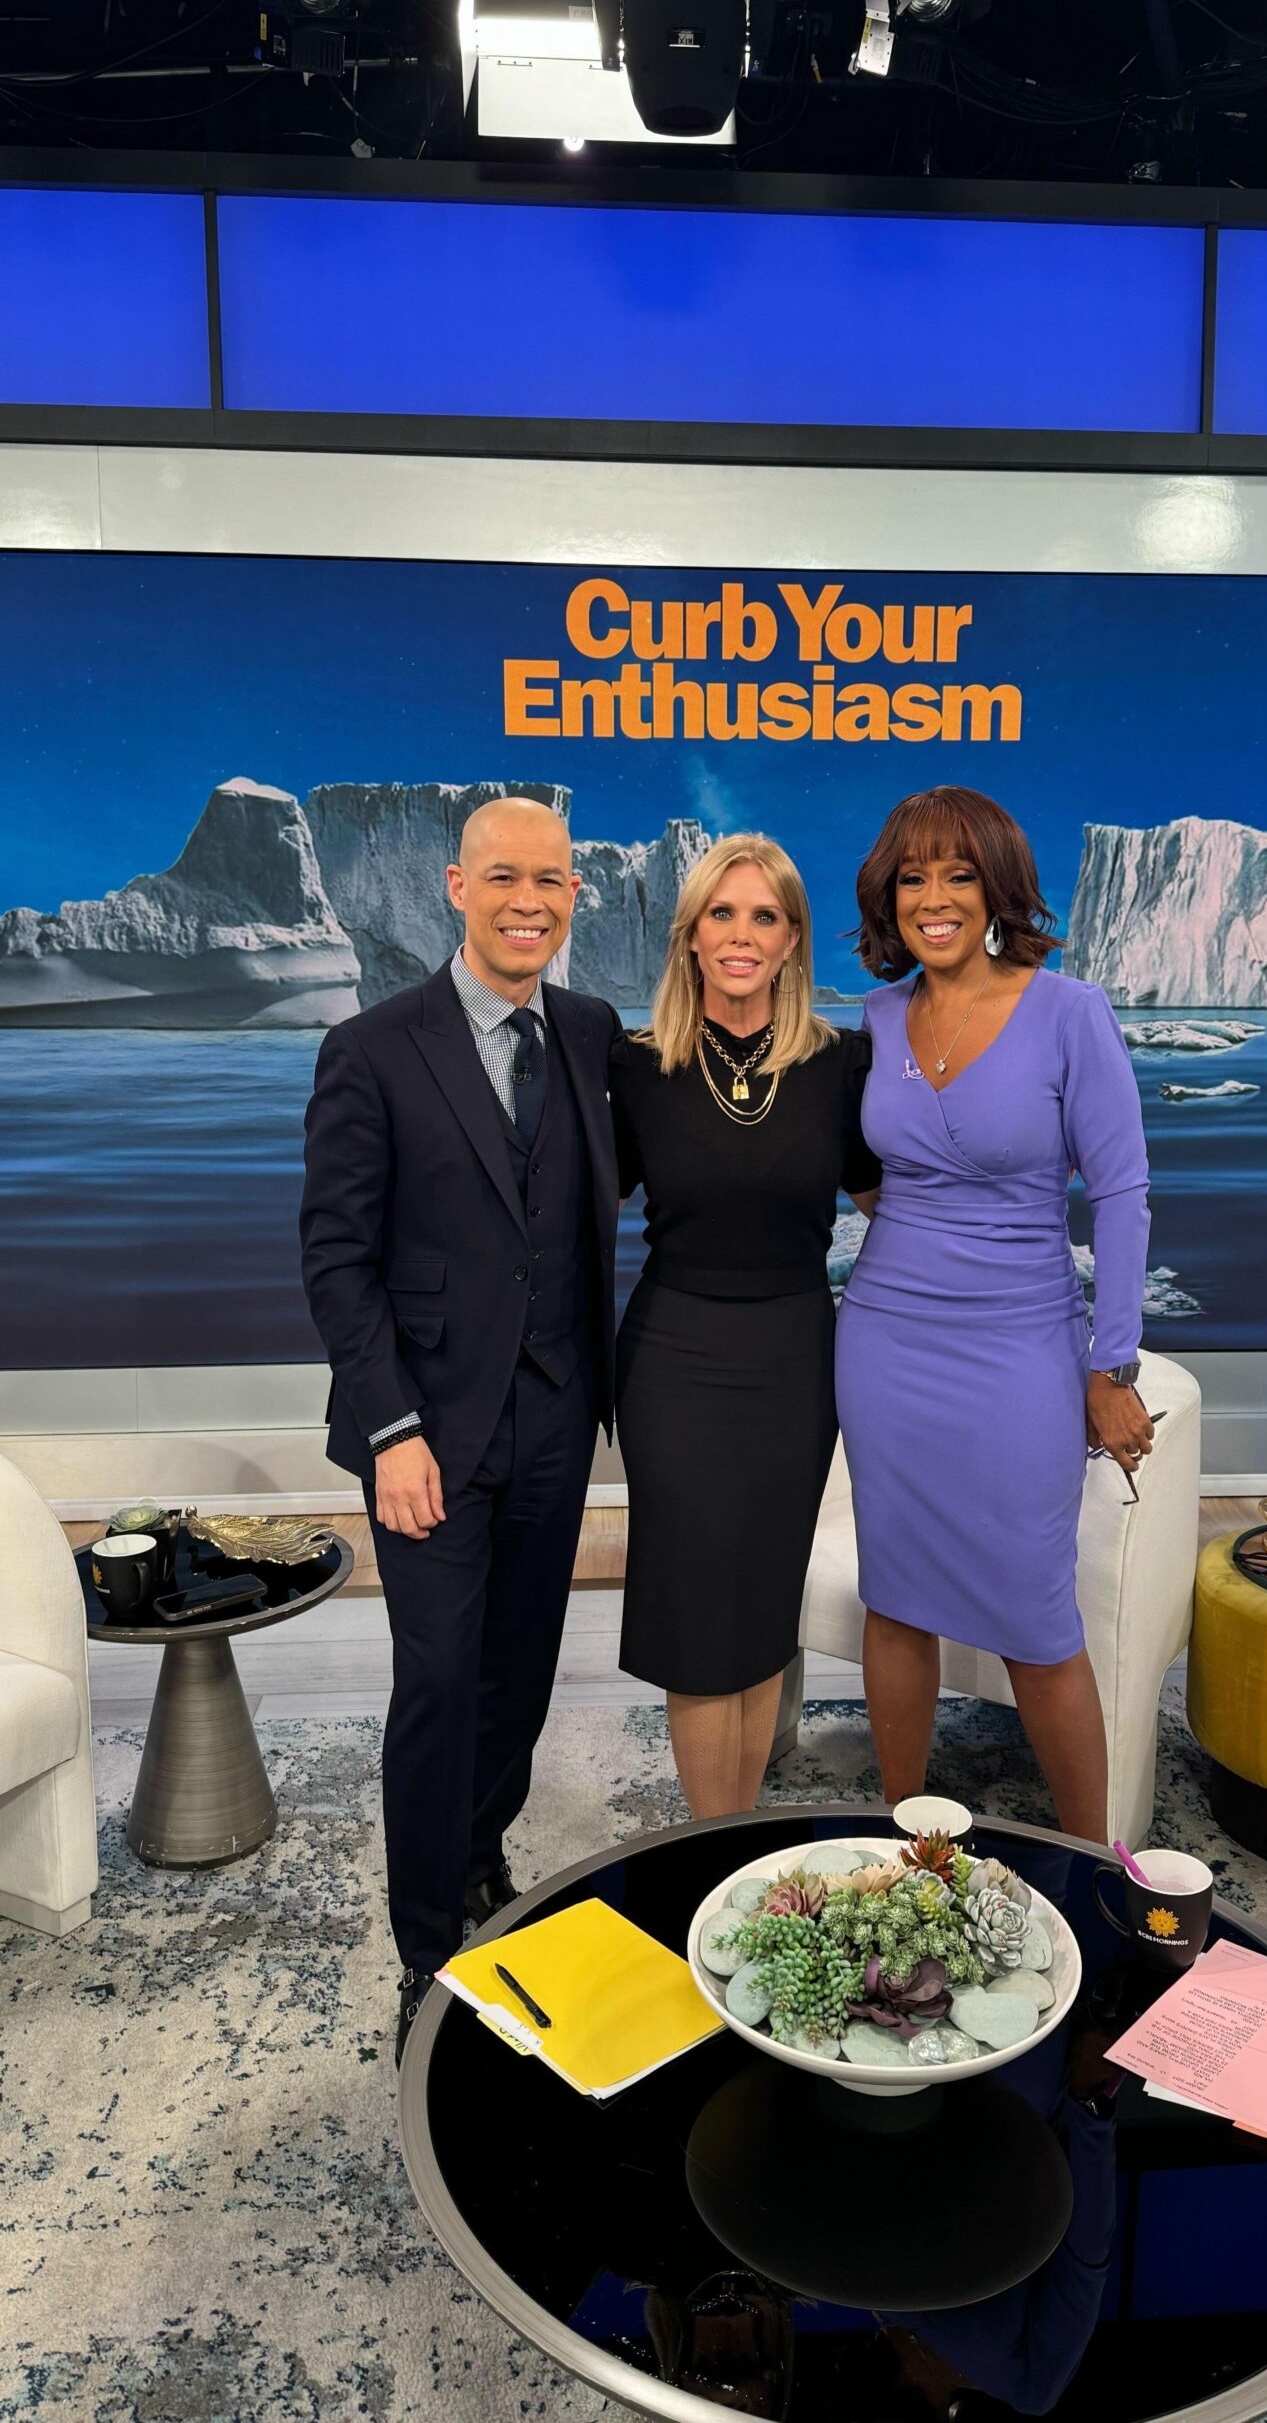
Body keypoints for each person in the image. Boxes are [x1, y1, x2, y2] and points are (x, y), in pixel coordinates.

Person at [299, 797, 620, 2063]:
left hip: (554, 1415)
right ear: (454, 886)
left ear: (573, 894)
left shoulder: (589, 1032)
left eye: (548, 879)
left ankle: (480, 1855)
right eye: (502, 878)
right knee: (437, 1683)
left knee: (519, 1673)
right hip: (425, 1433)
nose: (526, 900)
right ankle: (428, 1950)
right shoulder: (372, 1047)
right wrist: (390, 1430)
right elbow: (336, 1259)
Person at [835, 785, 1151, 1843]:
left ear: (996, 890)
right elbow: (872, 1175)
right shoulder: (876, 1020)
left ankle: (1094, 1863)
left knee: (1035, 1614)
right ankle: (907, 1838)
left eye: (958, 875)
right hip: (885, 1341)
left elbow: (1121, 1194)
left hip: (1021, 1345)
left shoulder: (1070, 1011)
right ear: (889, 897)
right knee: (894, 1595)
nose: (933, 898)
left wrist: (1109, 1366)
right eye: (912, 877)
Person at [610, 833, 881, 1820]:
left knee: (764, 1608)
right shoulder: (635, 1065)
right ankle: (707, 1840)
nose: (740, 933)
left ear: (791, 938)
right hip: (671, 1357)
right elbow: (564, 1211)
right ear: (689, 935)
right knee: (694, 1614)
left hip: (793, 1361)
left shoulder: (841, 1065)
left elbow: (892, 1206)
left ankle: (740, 1834)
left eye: (763, 915)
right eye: (720, 913)